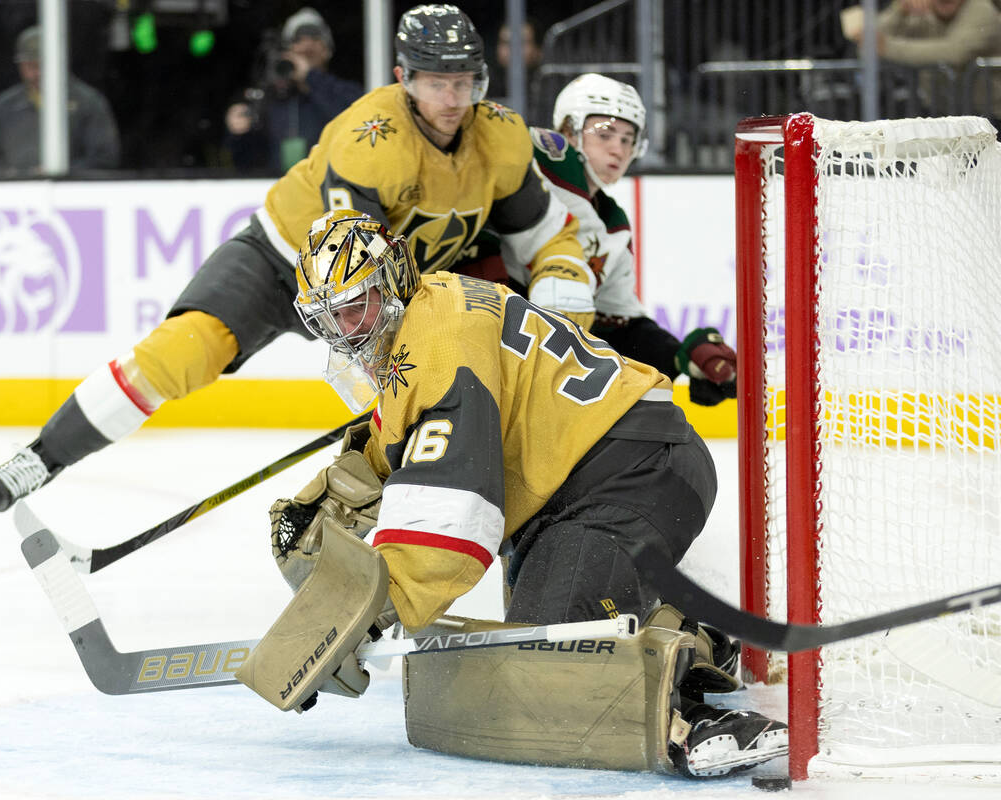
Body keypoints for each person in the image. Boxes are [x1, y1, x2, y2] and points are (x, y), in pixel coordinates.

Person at [0, 4, 591, 513]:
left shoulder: (501, 137)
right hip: (285, 261)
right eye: (436, 82)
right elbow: (351, 265)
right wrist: (388, 373)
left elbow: (542, 235)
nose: (452, 99)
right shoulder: (367, 139)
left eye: (465, 83)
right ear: (403, 77)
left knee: (436, 401)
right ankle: (41, 457)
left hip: (389, 288)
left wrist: (563, 279)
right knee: (185, 349)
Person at [241, 208, 787, 778]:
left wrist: (361, 617)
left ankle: (697, 727)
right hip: (596, 479)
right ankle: (692, 642)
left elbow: (450, 525)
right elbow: (405, 439)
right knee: (535, 645)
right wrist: (330, 491)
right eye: (328, 318)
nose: (346, 330)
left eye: (356, 304)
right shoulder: (432, 309)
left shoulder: (438, 343)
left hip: (631, 473)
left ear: (394, 278)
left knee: (546, 671)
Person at [476, 74, 737, 405]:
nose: (618, 148)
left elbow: (617, 326)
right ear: (568, 131)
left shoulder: (614, 226)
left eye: (628, 139)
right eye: (604, 133)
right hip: (481, 351)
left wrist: (679, 358)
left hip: (538, 375)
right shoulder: (541, 164)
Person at [221, 7, 362, 173]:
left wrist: (310, 76)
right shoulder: (270, 98)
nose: (306, 45)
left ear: (327, 51)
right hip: (279, 191)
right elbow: (245, 162)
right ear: (286, 53)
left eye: (315, 38)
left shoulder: (344, 92)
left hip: (329, 189)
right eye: (298, 40)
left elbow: (355, 124)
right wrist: (238, 134)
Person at [0, 26, 120, 175]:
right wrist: (14, 176)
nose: (37, 73)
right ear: (20, 66)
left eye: (42, 65)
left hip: (72, 194)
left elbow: (105, 159)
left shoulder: (88, 102)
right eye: (30, 66)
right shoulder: (5, 105)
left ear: (59, 61)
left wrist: (61, 173)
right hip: (18, 194)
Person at [843, 0, 1001, 118]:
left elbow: (954, 52)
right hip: (943, 113)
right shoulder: (925, 13)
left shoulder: (981, 9)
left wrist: (887, 47)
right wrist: (899, 10)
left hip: (988, 114)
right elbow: (868, 42)